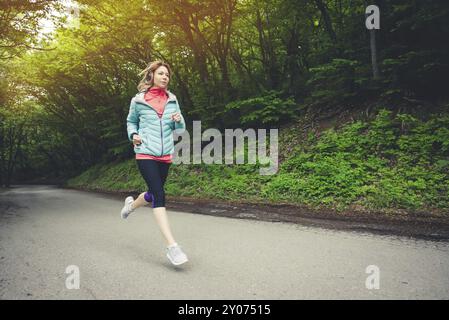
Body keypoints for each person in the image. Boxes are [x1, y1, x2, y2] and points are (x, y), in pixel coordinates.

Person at [121, 60, 188, 266]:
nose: (165, 77)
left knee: (151, 195)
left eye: (167, 74)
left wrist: (178, 120)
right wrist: (134, 134)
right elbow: (131, 121)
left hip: (165, 154)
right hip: (145, 152)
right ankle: (172, 248)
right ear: (152, 76)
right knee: (159, 195)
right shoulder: (138, 100)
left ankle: (131, 206)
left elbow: (179, 130)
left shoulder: (172, 100)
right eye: (161, 73)